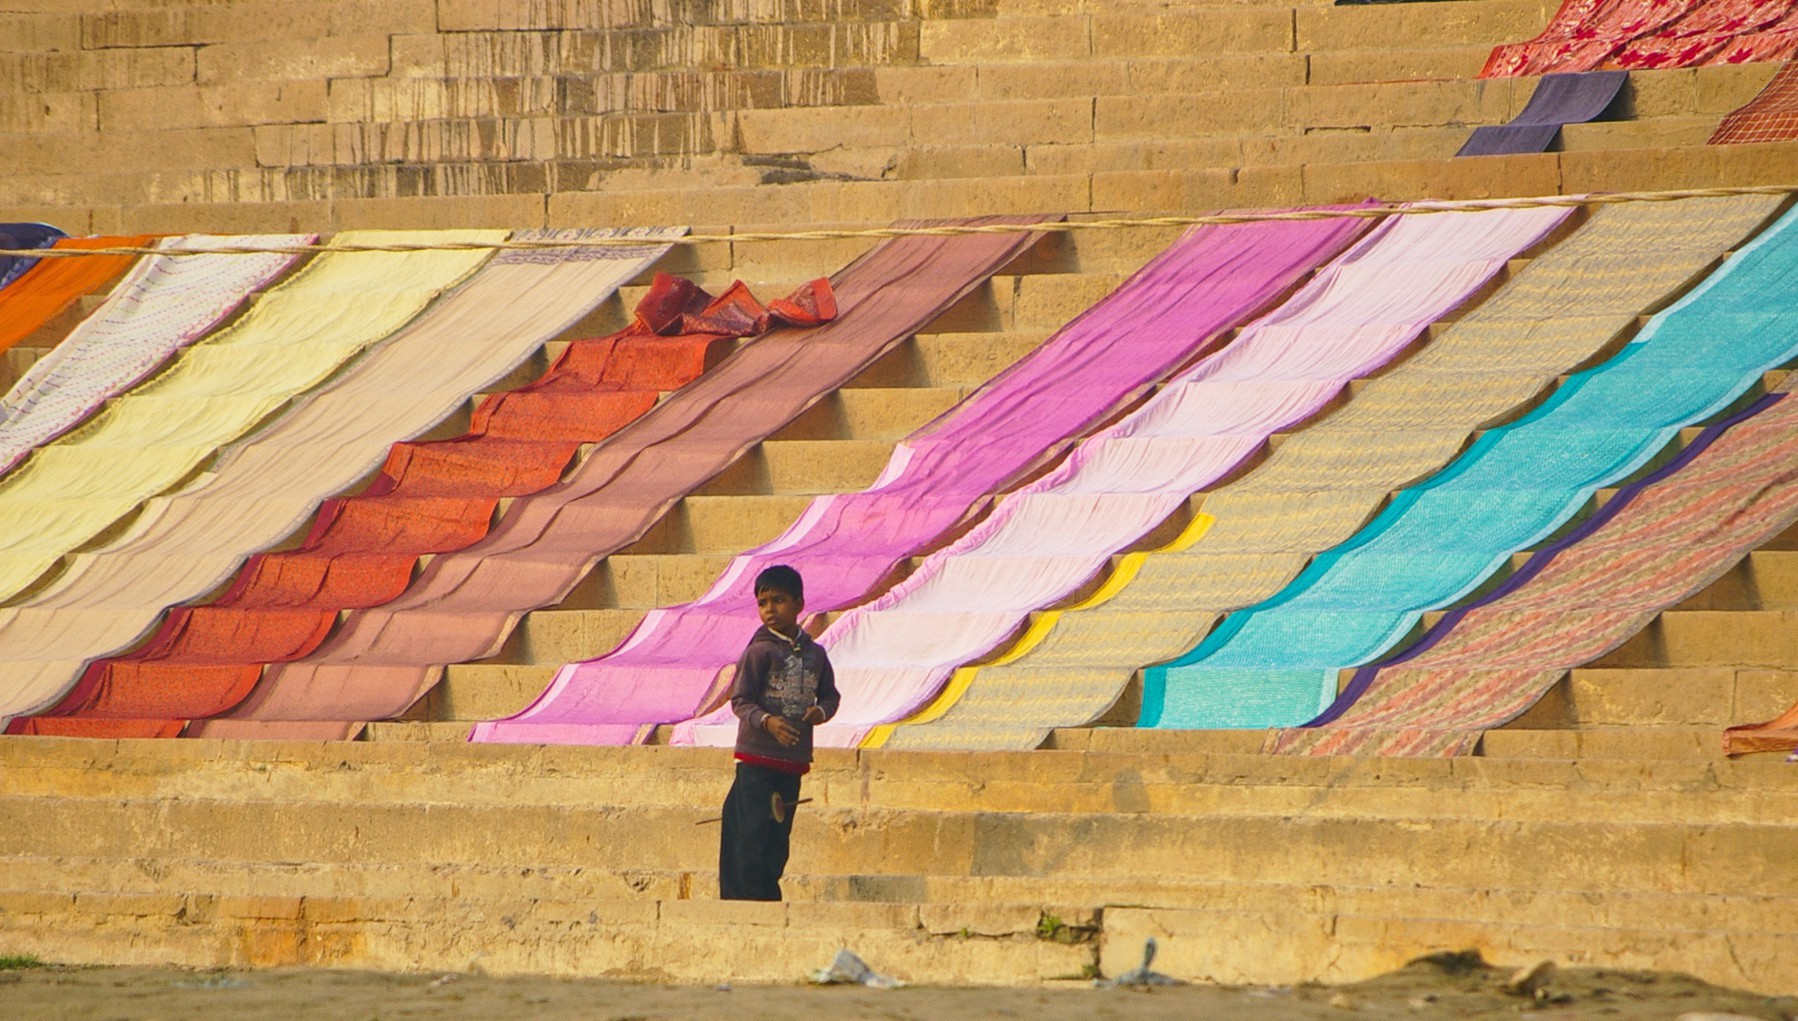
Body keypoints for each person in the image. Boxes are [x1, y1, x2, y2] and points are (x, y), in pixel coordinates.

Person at [718, 564, 840, 901]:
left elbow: (831, 695)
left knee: (778, 833)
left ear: (800, 604)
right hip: (756, 758)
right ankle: (743, 901)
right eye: (762, 603)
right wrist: (767, 721)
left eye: (778, 600)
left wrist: (821, 712)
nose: (769, 610)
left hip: (792, 761)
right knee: (750, 832)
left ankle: (767, 897)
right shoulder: (758, 652)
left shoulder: (817, 655)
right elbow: (740, 700)